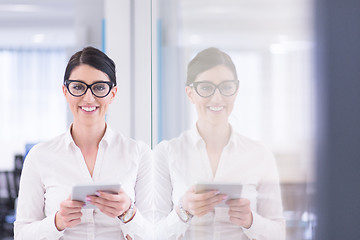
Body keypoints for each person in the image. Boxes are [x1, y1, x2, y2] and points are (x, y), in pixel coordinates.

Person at [14, 46, 153, 240]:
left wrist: (128, 213)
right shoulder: (40, 156)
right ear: (65, 91)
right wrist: (57, 222)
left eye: (99, 87)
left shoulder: (139, 154)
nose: (88, 98)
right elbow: (22, 235)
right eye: (78, 87)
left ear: (113, 93)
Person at [154, 47, 285, 239]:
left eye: (226, 87)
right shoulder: (166, 153)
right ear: (190, 93)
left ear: (236, 91)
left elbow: (279, 233)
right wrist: (183, 211)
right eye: (206, 88)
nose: (217, 97)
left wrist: (250, 221)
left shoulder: (259, 155)